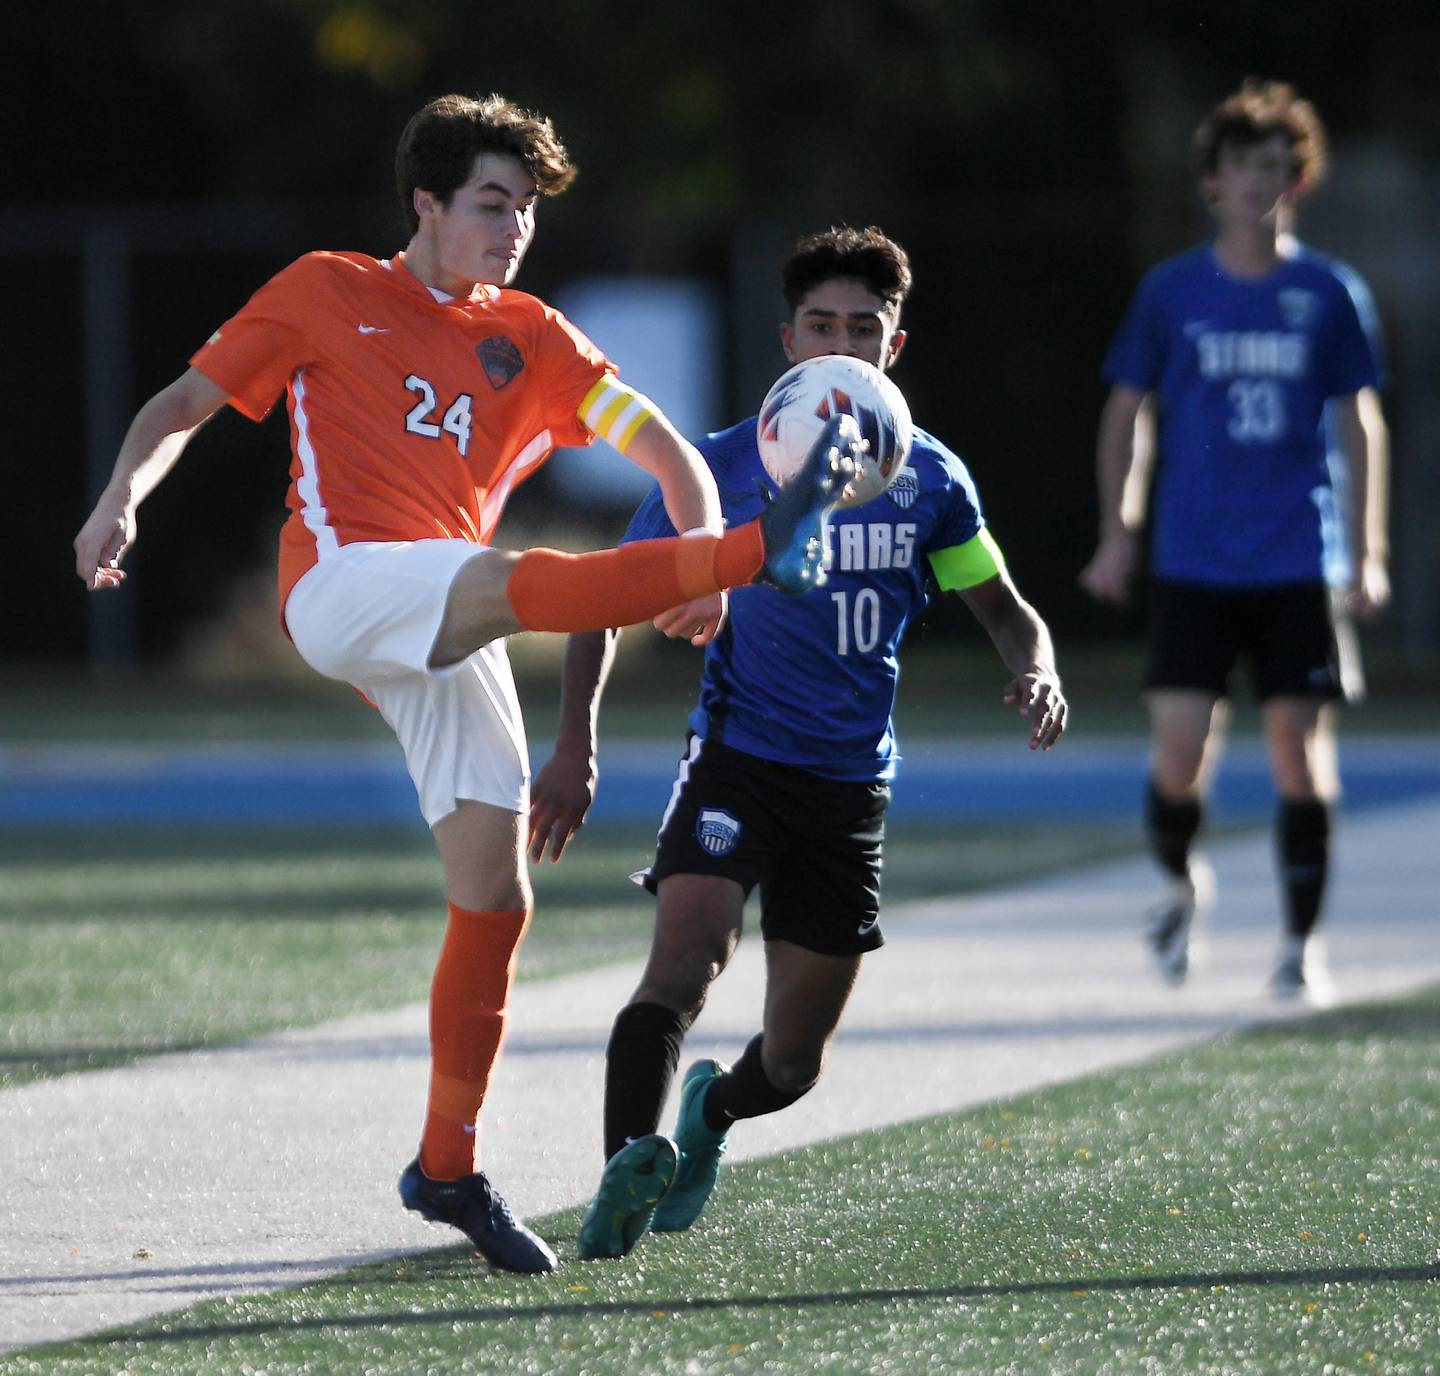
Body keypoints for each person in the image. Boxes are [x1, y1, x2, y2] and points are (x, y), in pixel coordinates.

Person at [72, 92, 857, 1275]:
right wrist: (121, 491)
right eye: (493, 202)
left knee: (495, 893)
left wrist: (696, 549)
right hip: (340, 586)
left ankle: (446, 1162)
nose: (515, 227)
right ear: (426, 204)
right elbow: (182, 403)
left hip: (446, 610)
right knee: (515, 578)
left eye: (529, 208)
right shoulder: (327, 288)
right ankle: (768, 547)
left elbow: (662, 444)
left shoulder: (533, 334)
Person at [528, 225, 1068, 1261]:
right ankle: (622, 1178)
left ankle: (712, 1116)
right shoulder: (720, 464)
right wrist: (575, 745)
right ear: (788, 341)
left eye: (864, 327)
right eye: (822, 323)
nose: (843, 341)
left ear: (893, 349)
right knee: (684, 964)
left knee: (793, 1060)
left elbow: (1004, 607)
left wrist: (1034, 666)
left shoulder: (931, 479)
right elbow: (605, 600)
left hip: (851, 785)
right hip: (737, 756)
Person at [1078, 80, 1390, 1003]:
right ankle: (1182, 883)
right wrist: (1117, 531)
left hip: (1299, 556)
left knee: (1298, 746)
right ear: (1212, 181)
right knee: (1180, 752)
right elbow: (1126, 414)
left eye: (1275, 166)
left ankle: (1301, 944)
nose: (1258, 182)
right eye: (1240, 165)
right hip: (1195, 560)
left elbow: (1360, 423)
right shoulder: (1173, 292)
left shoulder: (1329, 292)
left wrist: (1366, 554)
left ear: (1298, 180)